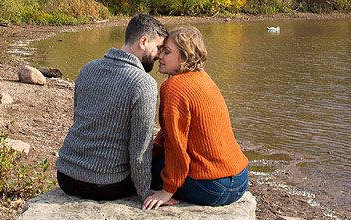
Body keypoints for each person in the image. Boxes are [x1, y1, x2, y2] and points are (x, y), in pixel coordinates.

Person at [56, 13, 167, 201]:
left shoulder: (88, 68)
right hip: (104, 185)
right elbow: (140, 148)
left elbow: (79, 120)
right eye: (158, 48)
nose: (159, 56)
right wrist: (145, 193)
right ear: (143, 42)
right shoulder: (143, 83)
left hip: (65, 176)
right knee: (163, 167)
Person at [143, 26, 248, 209]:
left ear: (185, 56)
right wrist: (152, 153)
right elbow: (171, 132)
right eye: (161, 51)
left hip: (211, 188)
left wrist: (167, 190)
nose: (159, 57)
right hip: (240, 181)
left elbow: (176, 145)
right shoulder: (204, 78)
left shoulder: (173, 87)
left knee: (152, 171)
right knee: (154, 161)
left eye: (166, 52)